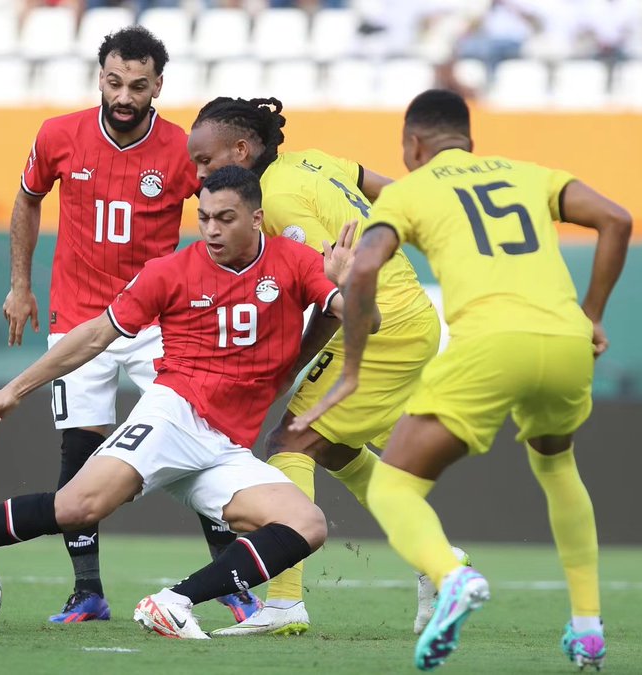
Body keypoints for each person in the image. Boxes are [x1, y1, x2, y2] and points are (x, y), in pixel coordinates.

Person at [0, 166, 379, 639]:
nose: (212, 230)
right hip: (174, 416)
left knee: (306, 525)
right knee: (76, 507)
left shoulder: (296, 262)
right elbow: (93, 337)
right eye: (204, 217)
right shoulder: (170, 272)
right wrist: (14, 389)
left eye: (226, 218)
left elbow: (365, 324)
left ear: (257, 218)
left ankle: (172, 603)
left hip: (225, 447)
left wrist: (351, 286)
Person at [293, 89, 630, 670]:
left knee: (396, 488)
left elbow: (366, 264)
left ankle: (452, 577)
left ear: (412, 144)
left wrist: (350, 372)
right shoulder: (530, 174)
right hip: (567, 342)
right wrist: (594, 314)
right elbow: (616, 220)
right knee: (557, 468)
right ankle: (587, 628)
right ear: (469, 139)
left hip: (491, 347)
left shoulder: (411, 191)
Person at [0, 25, 257, 623]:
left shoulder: (181, 150)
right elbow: (28, 198)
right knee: (79, 457)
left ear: (158, 86)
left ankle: (229, 585)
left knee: (202, 445)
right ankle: (87, 591)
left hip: (160, 321)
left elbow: (224, 215)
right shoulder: (58, 135)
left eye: (137, 86)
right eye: (114, 82)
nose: (124, 96)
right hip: (79, 319)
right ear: (100, 78)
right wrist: (19, 284)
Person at [185, 96, 452, 637]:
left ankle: (284, 605)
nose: (198, 173)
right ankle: (439, 562)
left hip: (383, 323)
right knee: (334, 448)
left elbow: (338, 289)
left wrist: (290, 369)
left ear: (242, 149)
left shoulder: (279, 202)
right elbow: (394, 195)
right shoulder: (312, 160)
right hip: (408, 315)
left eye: (205, 161)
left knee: (291, 443)